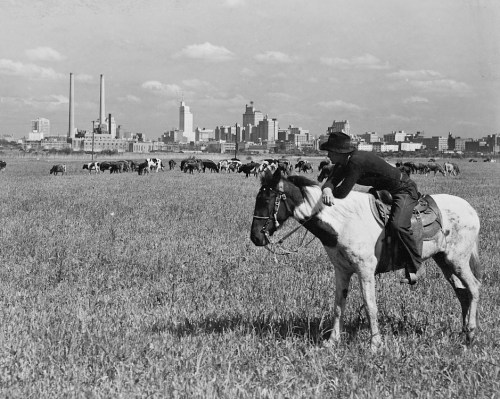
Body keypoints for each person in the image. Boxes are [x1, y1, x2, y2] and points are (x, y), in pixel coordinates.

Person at [320, 130, 422, 285]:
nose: (328, 155)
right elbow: (331, 180)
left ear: (339, 152)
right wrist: (327, 188)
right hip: (383, 190)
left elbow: (342, 192)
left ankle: (416, 266)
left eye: (329, 151)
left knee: (398, 225)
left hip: (403, 190)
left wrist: (330, 189)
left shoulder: (356, 162)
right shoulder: (343, 162)